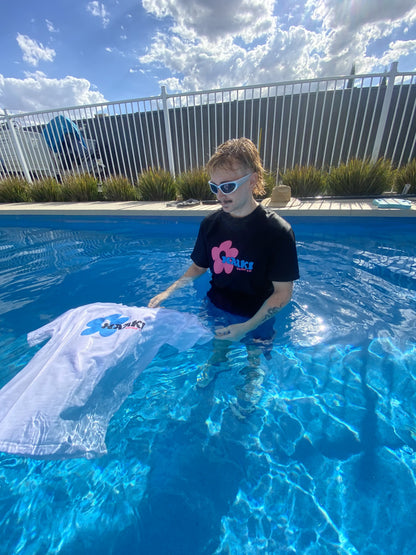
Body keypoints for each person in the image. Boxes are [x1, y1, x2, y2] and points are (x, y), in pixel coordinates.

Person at [148, 138, 299, 400]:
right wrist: (168, 292)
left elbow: (283, 293)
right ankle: (216, 362)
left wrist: (247, 326)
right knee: (217, 350)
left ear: (253, 180)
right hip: (218, 306)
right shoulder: (210, 224)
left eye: (228, 186)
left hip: (258, 313)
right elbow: (198, 267)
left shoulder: (277, 232)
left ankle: (253, 378)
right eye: (214, 187)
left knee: (254, 360)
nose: (220, 195)